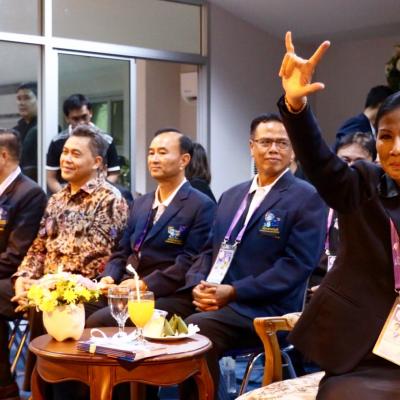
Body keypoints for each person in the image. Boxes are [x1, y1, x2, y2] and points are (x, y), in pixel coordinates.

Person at [155, 114, 327, 399]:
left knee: (199, 332)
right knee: (153, 316)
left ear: (293, 150)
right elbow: (209, 249)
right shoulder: (232, 195)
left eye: (282, 143)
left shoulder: (306, 197)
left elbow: (295, 266)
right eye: (265, 142)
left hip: (265, 308)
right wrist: (198, 284)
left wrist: (234, 291)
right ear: (251, 146)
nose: (273, 149)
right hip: (218, 298)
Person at [279, 31, 400, 399]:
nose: (395, 148)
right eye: (386, 136)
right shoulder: (363, 182)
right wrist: (296, 107)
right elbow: (321, 165)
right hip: (361, 349)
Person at [86, 129, 216, 327]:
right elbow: (122, 250)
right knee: (70, 307)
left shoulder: (200, 205)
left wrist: (145, 284)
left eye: (162, 153)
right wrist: (109, 277)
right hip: (127, 288)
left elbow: (189, 261)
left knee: (100, 320)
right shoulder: (141, 203)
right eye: (151, 153)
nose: (154, 159)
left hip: (168, 293)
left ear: (184, 160)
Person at [0, 128, 47, 400]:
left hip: (19, 277)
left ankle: (6, 388)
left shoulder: (30, 194)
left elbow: (15, 256)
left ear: (3, 156)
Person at [309, 131, 375, 289]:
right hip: (312, 287)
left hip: (354, 291)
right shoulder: (315, 199)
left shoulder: (377, 207)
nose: (350, 167)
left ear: (373, 163)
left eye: (359, 162)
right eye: (345, 160)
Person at [46, 94, 120, 194]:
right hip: (65, 195)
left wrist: (98, 193)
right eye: (75, 119)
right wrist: (67, 198)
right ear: (67, 118)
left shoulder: (106, 140)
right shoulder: (57, 141)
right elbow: (51, 177)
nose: (81, 122)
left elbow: (114, 173)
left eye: (84, 117)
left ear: (91, 113)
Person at [13, 82, 38, 181]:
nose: (21, 103)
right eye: (19, 99)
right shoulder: (14, 131)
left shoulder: (47, 128)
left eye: (27, 98)